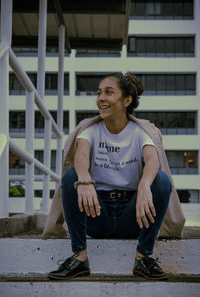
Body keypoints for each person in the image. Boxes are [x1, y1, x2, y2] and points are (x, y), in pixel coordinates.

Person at [48, 72, 172, 280]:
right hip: (97, 213)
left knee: (161, 181)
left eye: (108, 92)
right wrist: (85, 180)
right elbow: (81, 155)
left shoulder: (141, 132)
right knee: (72, 177)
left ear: (126, 100)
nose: (101, 98)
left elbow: (152, 160)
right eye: (99, 93)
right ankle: (79, 258)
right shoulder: (91, 130)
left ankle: (143, 258)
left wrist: (144, 185)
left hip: (134, 217)